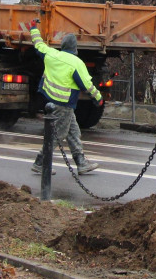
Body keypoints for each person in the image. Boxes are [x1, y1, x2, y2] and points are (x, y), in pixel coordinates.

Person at [28, 19, 103, 175]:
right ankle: (40, 162)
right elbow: (87, 85)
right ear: (75, 48)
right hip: (64, 104)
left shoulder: (51, 54)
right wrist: (98, 98)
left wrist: (34, 28)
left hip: (52, 101)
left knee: (73, 132)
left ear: (62, 45)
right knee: (58, 134)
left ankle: (81, 162)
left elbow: (38, 44)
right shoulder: (76, 63)